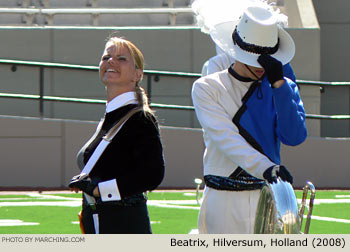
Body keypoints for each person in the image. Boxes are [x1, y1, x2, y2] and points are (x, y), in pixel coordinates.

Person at [191, 6, 307, 233]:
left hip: (265, 197)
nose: (262, 64)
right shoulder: (207, 87)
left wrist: (280, 87)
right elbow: (226, 138)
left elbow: (294, 136)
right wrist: (267, 168)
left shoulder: (283, 86)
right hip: (223, 200)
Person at [69, 37, 165, 234]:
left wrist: (99, 190)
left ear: (138, 74)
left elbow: (153, 173)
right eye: (106, 57)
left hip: (124, 225)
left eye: (121, 58)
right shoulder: (112, 116)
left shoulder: (140, 119)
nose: (111, 61)